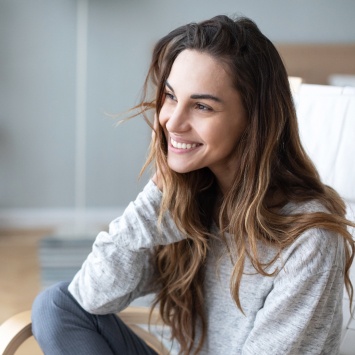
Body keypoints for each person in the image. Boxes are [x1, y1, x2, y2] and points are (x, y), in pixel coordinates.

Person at [32, 15, 355, 355]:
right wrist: (153, 200)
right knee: (56, 305)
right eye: (171, 96)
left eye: (201, 106)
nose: (172, 120)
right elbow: (92, 295)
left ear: (254, 119)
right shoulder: (191, 197)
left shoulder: (308, 239)